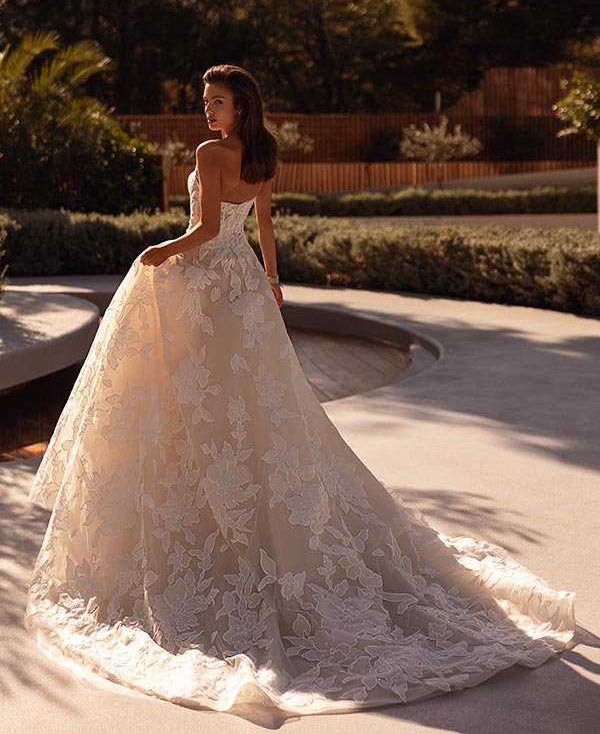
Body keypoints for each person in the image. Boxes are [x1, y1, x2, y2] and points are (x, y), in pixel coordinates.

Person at [25, 64, 576, 720]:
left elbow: (202, 234)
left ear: (241, 105)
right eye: (206, 101)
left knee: (198, 407)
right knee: (257, 414)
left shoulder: (210, 153)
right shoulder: (263, 152)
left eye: (218, 101)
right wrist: (273, 281)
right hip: (246, 290)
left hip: (205, 288)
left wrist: (157, 250)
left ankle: (210, 520)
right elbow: (263, 223)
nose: (207, 111)